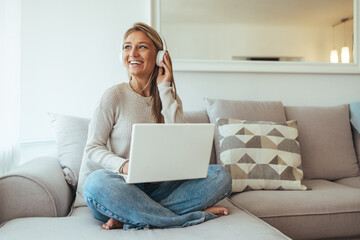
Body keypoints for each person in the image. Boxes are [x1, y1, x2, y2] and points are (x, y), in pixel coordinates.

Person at [81, 22, 232, 230]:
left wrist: (165, 89)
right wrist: (123, 165)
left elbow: (184, 142)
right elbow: (93, 148)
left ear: (160, 57)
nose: (133, 53)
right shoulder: (113, 96)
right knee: (95, 182)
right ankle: (187, 217)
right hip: (121, 190)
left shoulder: (169, 97)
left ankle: (132, 216)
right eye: (127, 47)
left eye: (142, 47)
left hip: (160, 188)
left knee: (220, 176)